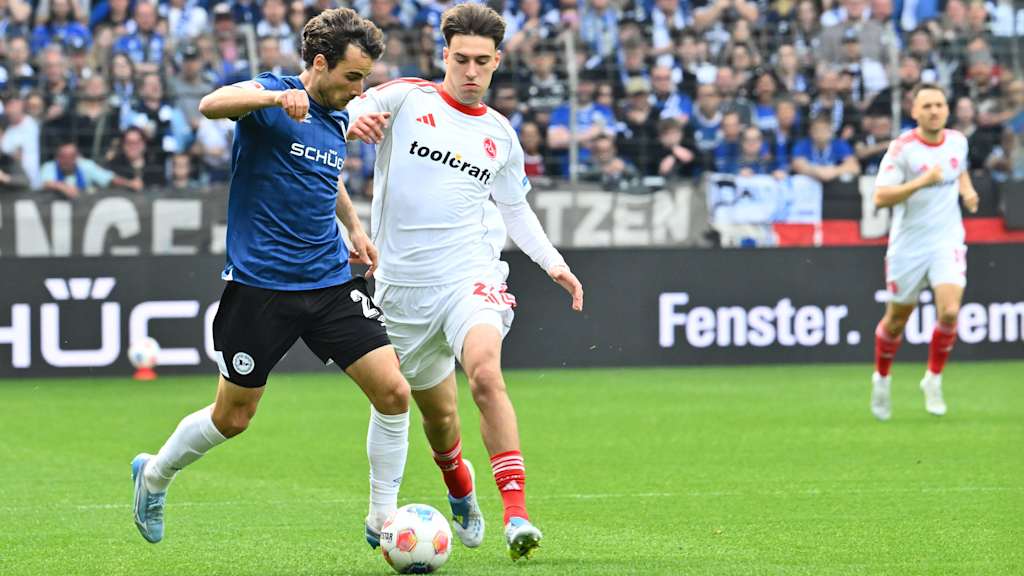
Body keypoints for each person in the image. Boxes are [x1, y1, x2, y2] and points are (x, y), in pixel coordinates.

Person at [130, 7, 412, 547]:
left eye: (365, 79)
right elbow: (212, 104)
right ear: (321, 63)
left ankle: (382, 519)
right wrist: (272, 100)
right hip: (261, 288)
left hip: (329, 282)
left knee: (394, 392)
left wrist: (354, 228)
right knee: (233, 418)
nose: (359, 90)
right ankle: (155, 474)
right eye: (352, 76)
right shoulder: (274, 96)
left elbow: (324, 173)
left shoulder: (335, 116)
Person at [346, 3, 583, 561]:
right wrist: (353, 118)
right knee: (437, 416)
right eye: (461, 59)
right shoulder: (407, 98)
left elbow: (515, 209)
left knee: (485, 373)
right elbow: (346, 102)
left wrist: (552, 262)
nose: (471, 70)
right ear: (444, 56)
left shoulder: (500, 134)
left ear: (497, 61)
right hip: (402, 288)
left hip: (469, 276)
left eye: (482, 61)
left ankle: (517, 514)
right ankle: (459, 484)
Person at [869, 83, 979, 421]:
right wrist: (921, 182)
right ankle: (882, 378)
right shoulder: (902, 149)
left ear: (947, 110)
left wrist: (967, 191)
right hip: (909, 245)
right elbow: (880, 197)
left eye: (939, 105)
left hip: (947, 240)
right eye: (927, 106)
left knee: (950, 311)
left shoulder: (958, 141)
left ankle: (933, 378)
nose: (934, 111)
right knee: (896, 321)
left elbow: (959, 169)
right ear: (914, 111)